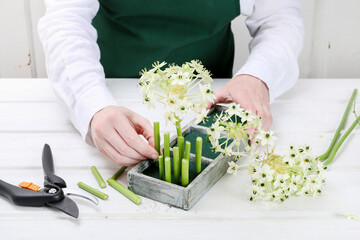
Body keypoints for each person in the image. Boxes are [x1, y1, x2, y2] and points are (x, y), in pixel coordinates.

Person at [38, 0, 304, 166]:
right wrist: (92, 104)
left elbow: (279, 19)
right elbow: (65, 20)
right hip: (112, 95)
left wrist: (258, 76)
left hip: (207, 102)